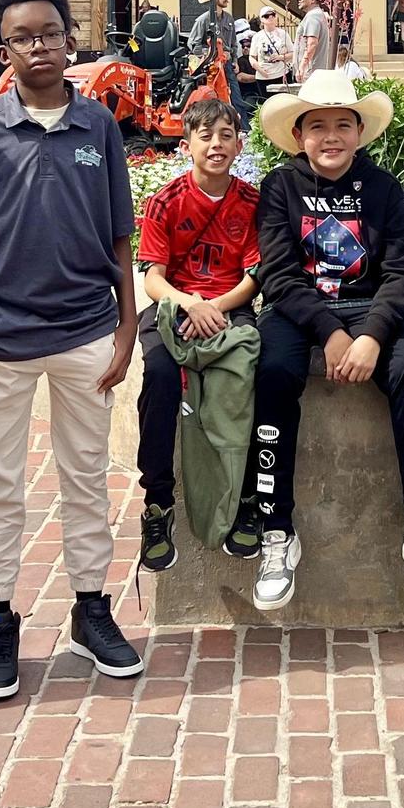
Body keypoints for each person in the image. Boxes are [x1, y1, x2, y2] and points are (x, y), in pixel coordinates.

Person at [0, 0, 143, 702]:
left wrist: (126, 326)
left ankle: (91, 609)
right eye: (23, 37)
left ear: (71, 39)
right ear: (2, 48)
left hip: (86, 330)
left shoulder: (98, 125)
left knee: (87, 478)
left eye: (51, 34)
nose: (39, 48)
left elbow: (121, 235)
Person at [250, 70, 404, 607]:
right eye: (318, 126)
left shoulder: (384, 189)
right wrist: (330, 332)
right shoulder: (280, 188)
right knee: (271, 374)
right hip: (300, 313)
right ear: (299, 135)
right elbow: (278, 274)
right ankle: (275, 530)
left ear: (360, 132)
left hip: (372, 310)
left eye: (343, 124)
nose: (331, 136)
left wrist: (370, 337)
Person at [134, 96, 261, 574]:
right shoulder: (165, 201)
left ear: (238, 143)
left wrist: (215, 307)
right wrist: (190, 303)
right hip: (176, 307)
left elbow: (254, 275)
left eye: (226, 135)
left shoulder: (252, 201)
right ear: (186, 144)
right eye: (205, 136)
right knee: (161, 379)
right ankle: (158, 502)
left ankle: (246, 494)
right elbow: (152, 277)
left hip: (229, 309)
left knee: (254, 378)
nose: (216, 144)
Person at [246, 5, 295, 101]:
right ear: (262, 19)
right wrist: (259, 69)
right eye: (266, 16)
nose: (270, 17)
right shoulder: (257, 37)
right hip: (263, 76)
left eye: (272, 15)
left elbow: (292, 53)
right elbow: (252, 56)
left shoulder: (283, 34)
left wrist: (280, 57)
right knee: (267, 103)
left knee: (283, 102)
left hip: (281, 74)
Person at [293, 0, 332, 81]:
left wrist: (302, 67)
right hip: (315, 72)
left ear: (312, 0)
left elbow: (312, 44)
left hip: (310, 73)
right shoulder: (318, 14)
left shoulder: (312, 16)